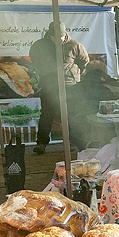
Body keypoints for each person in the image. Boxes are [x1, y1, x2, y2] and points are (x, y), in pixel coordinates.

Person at [29, 21, 89, 155]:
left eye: (62, 36)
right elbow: (35, 61)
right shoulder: (39, 46)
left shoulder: (74, 45)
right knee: (46, 115)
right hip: (49, 86)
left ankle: (74, 143)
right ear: (50, 35)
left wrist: (76, 77)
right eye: (57, 36)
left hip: (70, 87)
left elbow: (84, 62)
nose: (60, 39)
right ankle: (41, 144)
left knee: (71, 116)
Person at [67, 60, 119, 150]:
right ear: (105, 71)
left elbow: (67, 113)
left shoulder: (74, 90)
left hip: (82, 134)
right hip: (117, 132)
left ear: (86, 72)